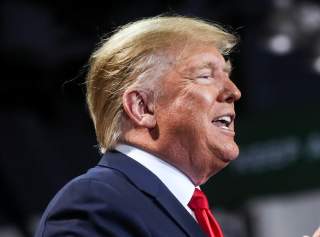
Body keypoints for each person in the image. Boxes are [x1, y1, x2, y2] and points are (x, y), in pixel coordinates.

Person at [35, 15, 240, 237]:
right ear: (142, 107)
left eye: (227, 75)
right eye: (205, 76)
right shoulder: (96, 203)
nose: (234, 92)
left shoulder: (184, 208)